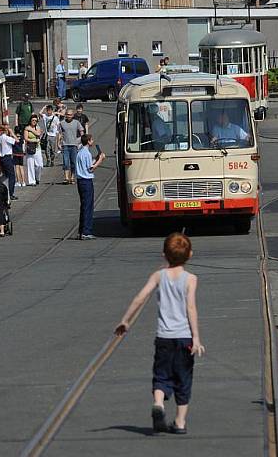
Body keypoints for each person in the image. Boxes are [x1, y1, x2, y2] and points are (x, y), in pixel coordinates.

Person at [114, 232, 205, 434]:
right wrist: (196, 337)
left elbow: (140, 297)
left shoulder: (158, 276)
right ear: (190, 254)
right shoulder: (191, 279)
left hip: (164, 337)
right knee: (183, 378)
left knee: (161, 375)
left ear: (163, 255)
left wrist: (125, 320)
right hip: (184, 338)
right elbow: (191, 308)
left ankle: (159, 403)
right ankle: (180, 422)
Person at [75, 133, 106, 240]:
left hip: (80, 181)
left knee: (84, 205)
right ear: (88, 141)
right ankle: (86, 231)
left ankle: (81, 230)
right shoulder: (86, 153)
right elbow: (90, 169)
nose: (92, 141)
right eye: (91, 140)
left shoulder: (80, 152)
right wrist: (100, 160)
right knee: (88, 206)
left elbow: (88, 164)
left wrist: (97, 158)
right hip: (86, 181)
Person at [59, 109, 84, 185]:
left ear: (73, 115)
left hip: (74, 145)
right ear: (65, 115)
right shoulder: (62, 123)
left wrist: (80, 141)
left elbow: (81, 131)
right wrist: (58, 143)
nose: (68, 116)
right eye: (67, 114)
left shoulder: (76, 122)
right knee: (66, 162)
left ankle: (72, 177)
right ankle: (66, 178)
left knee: (73, 162)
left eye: (70, 115)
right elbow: (59, 133)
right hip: (65, 145)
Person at [0, 125, 18, 200]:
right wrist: (12, 134)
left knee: (5, 175)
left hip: (2, 158)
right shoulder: (6, 138)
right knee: (12, 176)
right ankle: (11, 193)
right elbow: (16, 141)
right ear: (6, 130)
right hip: (7, 157)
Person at [24, 114, 44, 186]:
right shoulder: (26, 128)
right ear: (30, 120)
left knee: (39, 165)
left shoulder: (37, 127)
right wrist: (34, 141)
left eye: (35, 120)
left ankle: (37, 178)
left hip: (37, 148)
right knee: (30, 165)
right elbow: (26, 138)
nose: (34, 122)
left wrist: (30, 129)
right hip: (30, 148)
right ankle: (32, 181)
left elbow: (38, 133)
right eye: (33, 120)